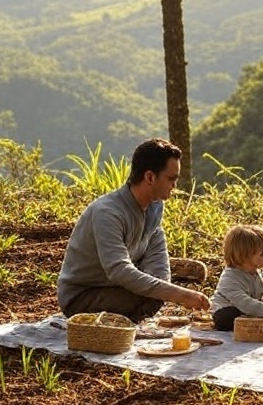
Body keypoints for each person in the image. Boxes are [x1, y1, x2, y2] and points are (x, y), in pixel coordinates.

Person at [57, 138, 210, 323]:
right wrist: (179, 295)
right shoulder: (108, 212)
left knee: (156, 294)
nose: (175, 186)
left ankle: (128, 327)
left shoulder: (154, 207)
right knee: (146, 297)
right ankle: (121, 330)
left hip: (120, 287)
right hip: (82, 295)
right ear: (150, 177)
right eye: (171, 179)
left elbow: (158, 257)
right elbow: (118, 269)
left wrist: (166, 288)